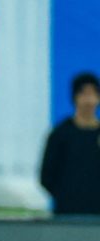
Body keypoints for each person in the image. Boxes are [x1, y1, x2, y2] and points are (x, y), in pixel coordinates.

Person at [40, 72, 100, 215]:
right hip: (67, 215)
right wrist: (67, 197)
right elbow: (46, 176)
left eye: (93, 94)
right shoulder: (60, 134)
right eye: (84, 94)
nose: (89, 101)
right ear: (74, 97)